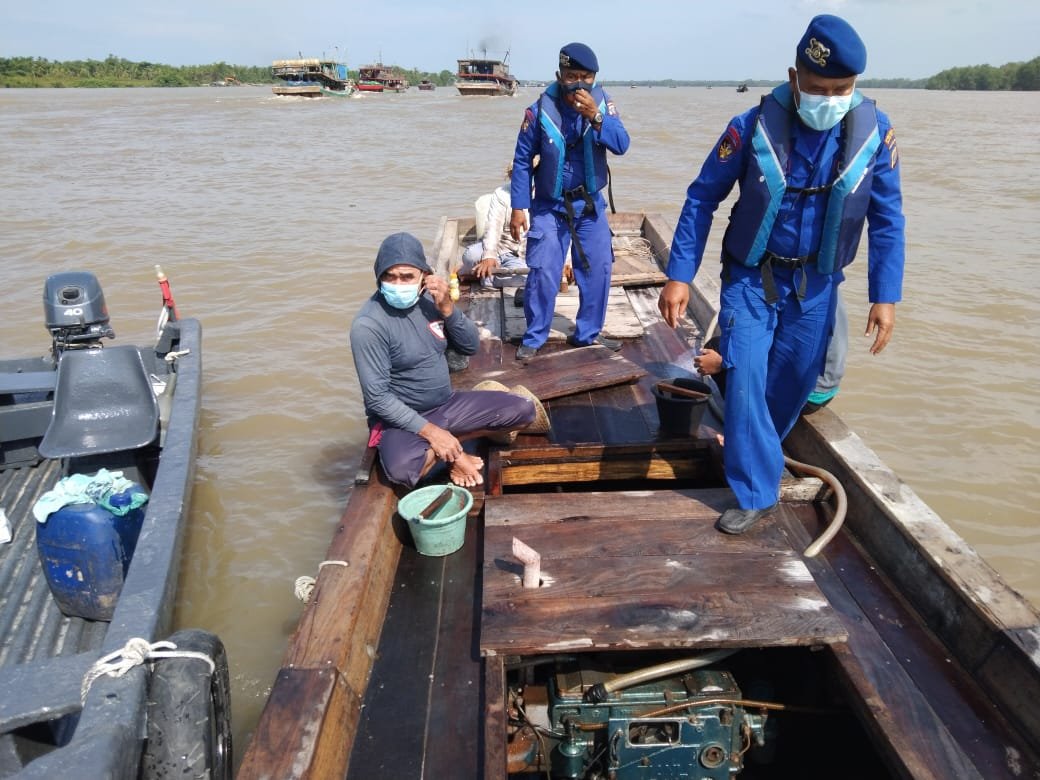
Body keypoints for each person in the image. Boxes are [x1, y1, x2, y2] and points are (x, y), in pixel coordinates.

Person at [658, 14, 905, 534]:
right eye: (819, 88)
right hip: (751, 279)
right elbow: (702, 197)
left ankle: (755, 442)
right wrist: (679, 274)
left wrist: (886, 295)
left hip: (816, 286)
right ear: (795, 79)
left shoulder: (874, 135)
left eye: (842, 89)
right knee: (745, 376)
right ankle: (756, 491)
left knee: (791, 383)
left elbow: (887, 218)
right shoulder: (749, 128)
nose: (831, 98)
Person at [350, 232, 538, 488]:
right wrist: (439, 439)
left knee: (524, 410)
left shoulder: (429, 300)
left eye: (407, 276)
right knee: (402, 471)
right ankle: (453, 451)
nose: (398, 283)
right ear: (379, 277)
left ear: (423, 277)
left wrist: (448, 310)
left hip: (446, 404)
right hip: (403, 420)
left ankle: (446, 445)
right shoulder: (368, 325)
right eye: (389, 276)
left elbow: (470, 346)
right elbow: (377, 398)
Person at [510, 42, 630, 360]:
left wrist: (596, 117)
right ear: (559, 75)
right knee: (543, 270)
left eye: (585, 77)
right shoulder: (537, 111)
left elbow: (622, 145)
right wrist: (518, 207)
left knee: (599, 268)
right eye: (571, 75)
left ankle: (588, 333)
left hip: (589, 206)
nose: (578, 83)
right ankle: (534, 337)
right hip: (549, 206)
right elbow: (522, 161)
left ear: (594, 79)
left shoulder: (604, 106)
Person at [696, 288, 848, 414]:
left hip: (802, 395)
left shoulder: (788, 286)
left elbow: (758, 351)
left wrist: (721, 364)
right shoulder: (827, 282)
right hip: (826, 391)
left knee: (715, 347)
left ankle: (744, 421)